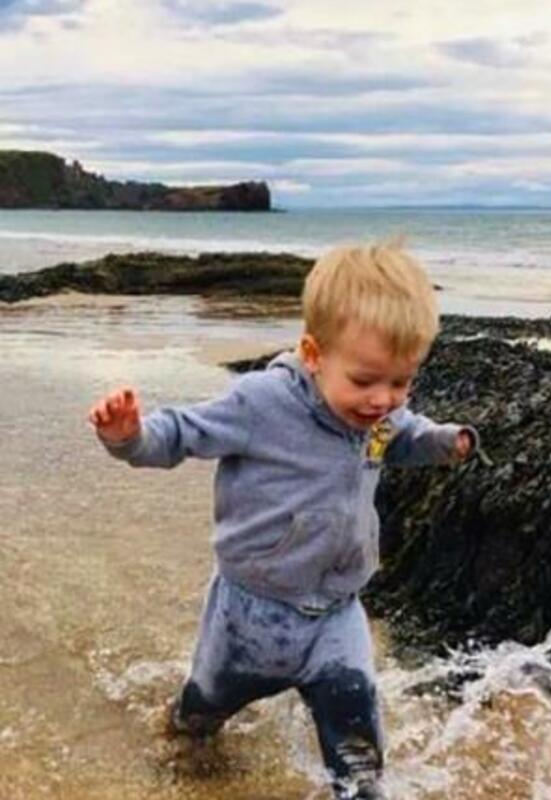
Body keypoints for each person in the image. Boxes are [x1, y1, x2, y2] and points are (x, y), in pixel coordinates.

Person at [89, 243, 476, 800]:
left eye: (400, 382)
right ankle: (180, 738)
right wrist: (130, 437)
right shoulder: (261, 403)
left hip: (337, 612)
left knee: (359, 754)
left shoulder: (378, 414)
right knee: (199, 717)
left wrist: (442, 441)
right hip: (250, 615)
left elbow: (403, 435)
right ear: (313, 354)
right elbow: (181, 433)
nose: (382, 401)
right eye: (365, 381)